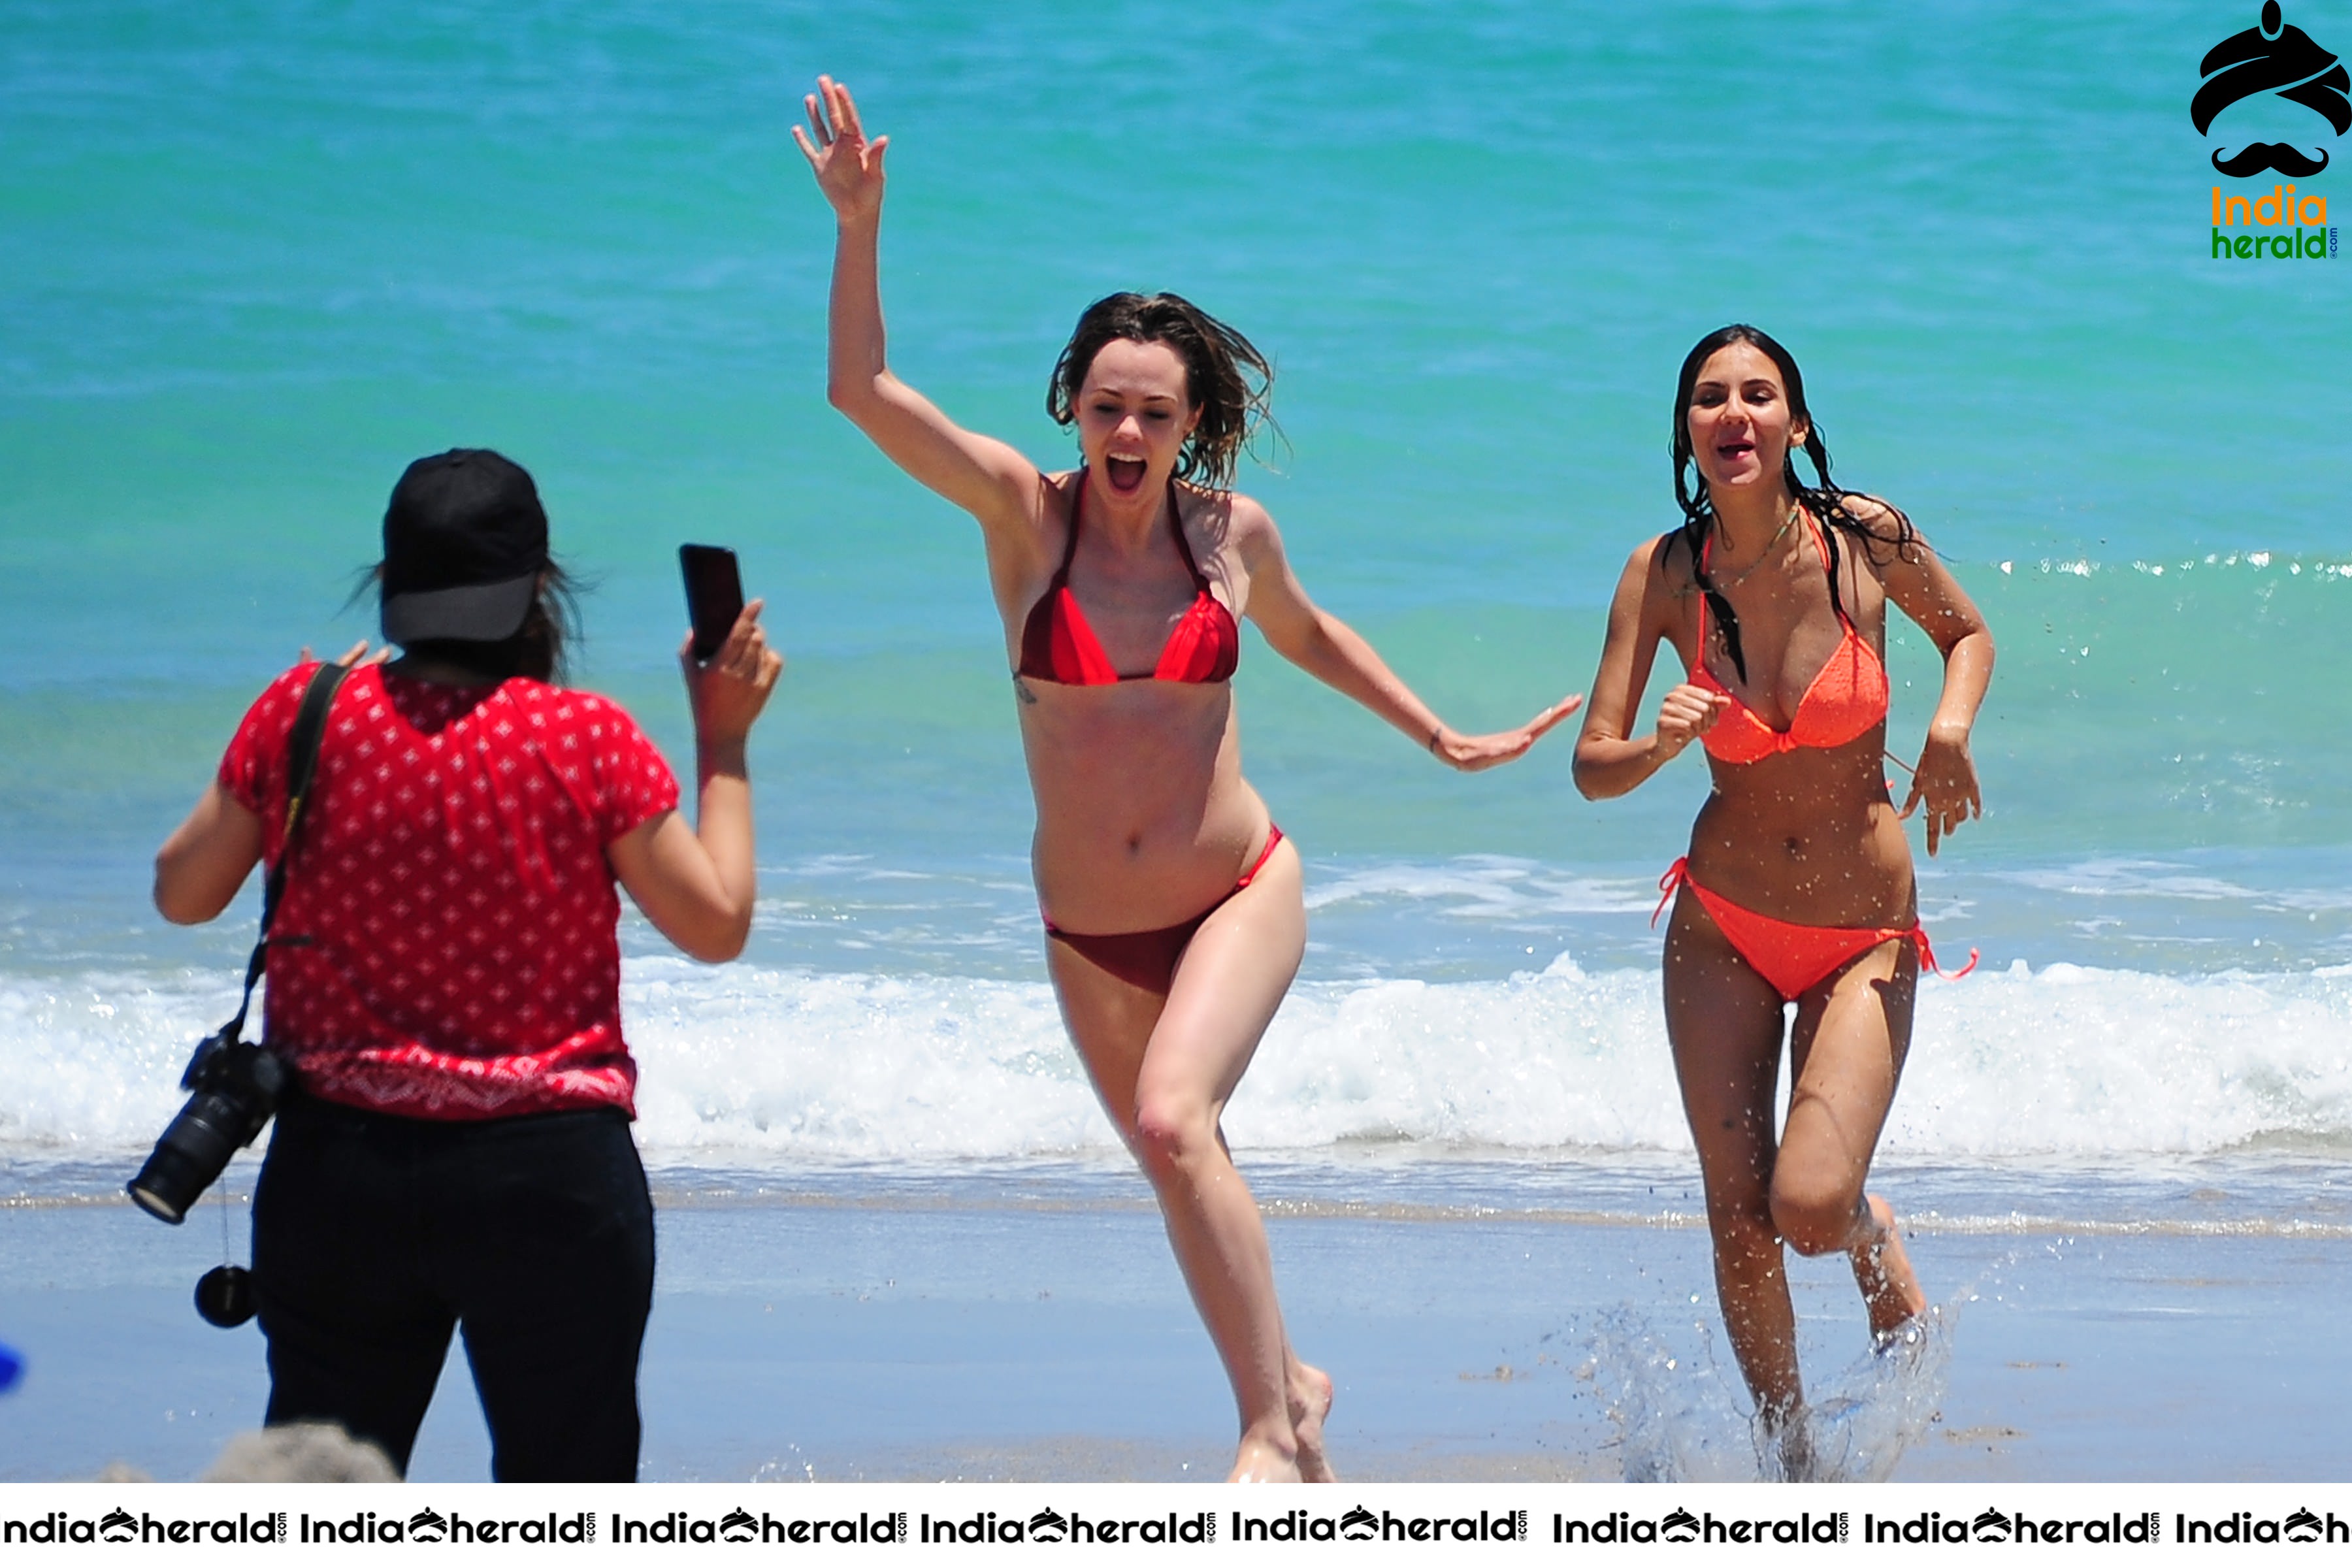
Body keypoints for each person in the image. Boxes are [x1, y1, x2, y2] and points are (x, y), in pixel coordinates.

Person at [794, 76, 1578, 1482]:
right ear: (1074, 407)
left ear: (1194, 420)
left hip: (1237, 887)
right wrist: (860, 224)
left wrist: (1439, 734)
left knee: (1172, 1121)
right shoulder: (1020, 520)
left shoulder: (1232, 537)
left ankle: (1270, 1433)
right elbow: (860, 393)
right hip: (1088, 924)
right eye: (1107, 405)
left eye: (1156, 411)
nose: (1129, 433)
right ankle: (1298, 1386)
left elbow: (1310, 634)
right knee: (1175, 1159)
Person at [151, 448, 783, 1480]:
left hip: (338, 1173)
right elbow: (716, 924)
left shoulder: (306, 712)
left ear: (392, 585)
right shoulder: (588, 738)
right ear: (539, 592)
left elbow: (182, 895)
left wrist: (300, 720)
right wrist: (726, 744)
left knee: (317, 1503)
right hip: (549, 1180)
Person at [1569, 326, 1993, 1473]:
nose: (1734, 414)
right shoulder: (1663, 574)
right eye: (1710, 399)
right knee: (1736, 1212)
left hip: (1862, 934)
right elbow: (1592, 766)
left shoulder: (1865, 539)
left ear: (1795, 424)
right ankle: (1791, 1464)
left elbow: (1966, 634)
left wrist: (1949, 732)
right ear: (1688, 431)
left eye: (1759, 395)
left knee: (1806, 1205)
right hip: (1723, 926)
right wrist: (1656, 750)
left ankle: (1868, 1235)